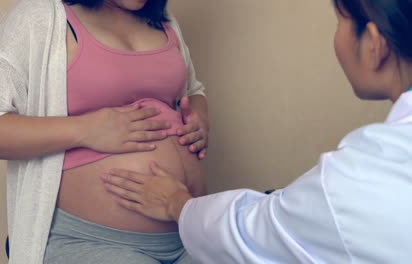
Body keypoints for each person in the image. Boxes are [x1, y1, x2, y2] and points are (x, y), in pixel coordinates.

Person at [102, 0, 412, 263]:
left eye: (340, 22)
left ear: (375, 44)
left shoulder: (358, 179)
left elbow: (258, 232)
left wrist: (176, 203)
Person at [0, 0, 208, 263]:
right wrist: (85, 129)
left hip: (190, 235)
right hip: (92, 243)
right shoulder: (39, 17)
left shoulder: (164, 20)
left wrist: (199, 114)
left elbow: (192, 89)